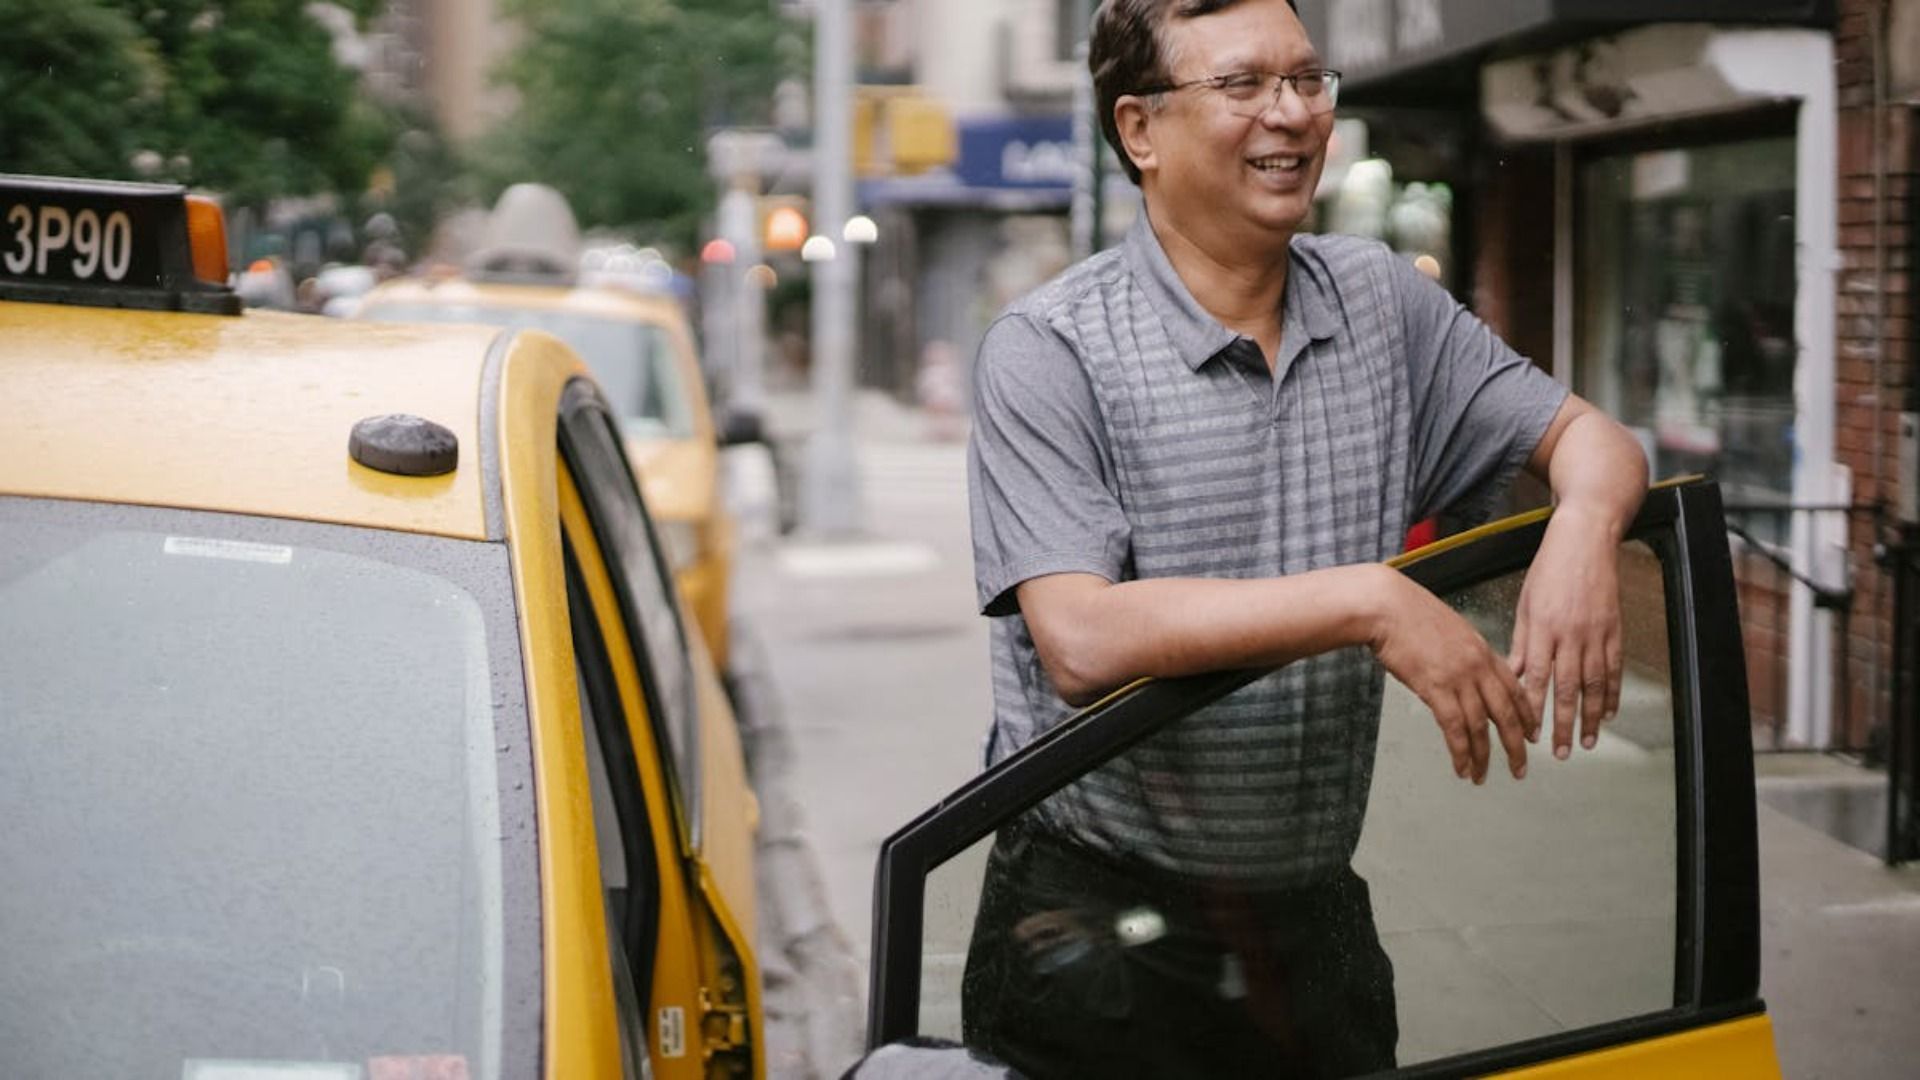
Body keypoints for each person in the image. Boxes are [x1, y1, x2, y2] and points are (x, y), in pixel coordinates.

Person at [959, 1, 1650, 1077]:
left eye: (1307, 80)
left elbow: (1592, 440)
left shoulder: (1379, 300)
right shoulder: (1050, 350)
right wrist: (1371, 602)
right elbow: (1081, 638)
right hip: (1096, 929)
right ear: (1139, 130)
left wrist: (1585, 527)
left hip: (1311, 919)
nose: (1292, 115)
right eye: (1243, 86)